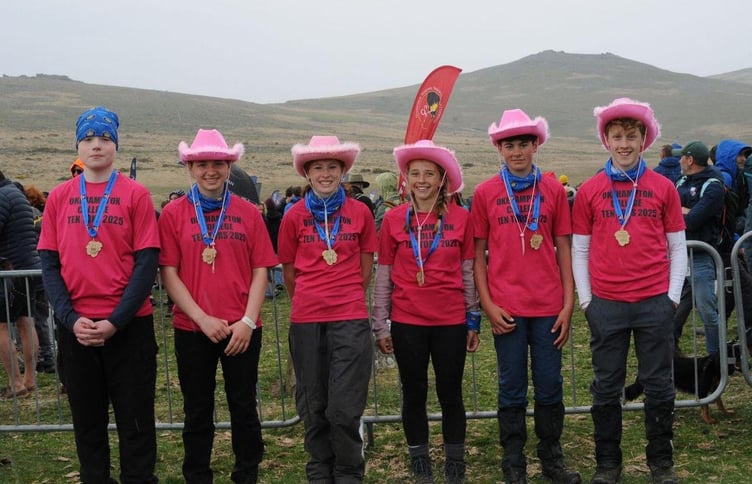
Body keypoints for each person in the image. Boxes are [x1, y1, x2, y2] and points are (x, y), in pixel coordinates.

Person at [38, 106, 160, 483]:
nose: (96, 146)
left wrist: (115, 322)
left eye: (105, 138)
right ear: (78, 144)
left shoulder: (136, 195)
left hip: (129, 328)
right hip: (77, 331)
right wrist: (71, 319)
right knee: (87, 424)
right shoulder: (59, 197)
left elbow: (146, 263)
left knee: (135, 422)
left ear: (116, 145)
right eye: (89, 138)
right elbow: (49, 264)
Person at [571, 98, 687, 484]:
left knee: (658, 384)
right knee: (606, 386)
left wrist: (671, 297)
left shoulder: (664, 188)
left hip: (654, 302)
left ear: (644, 140)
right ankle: (608, 464)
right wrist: (587, 301)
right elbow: (581, 248)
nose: (624, 144)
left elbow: (677, 246)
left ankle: (660, 463)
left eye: (631, 136)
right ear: (606, 140)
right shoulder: (589, 190)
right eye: (617, 136)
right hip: (606, 304)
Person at [159, 128, 277, 483]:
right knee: (197, 409)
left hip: (241, 328)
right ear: (190, 167)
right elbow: (169, 272)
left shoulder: (248, 213)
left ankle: (247, 473)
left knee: (243, 407)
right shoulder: (173, 213)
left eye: (219, 164)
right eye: (202, 164)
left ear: (230, 167)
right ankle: (197, 474)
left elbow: (261, 270)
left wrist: (247, 320)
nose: (211, 171)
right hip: (192, 328)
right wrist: (200, 318)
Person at [471, 109, 580, 484]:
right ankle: (513, 462)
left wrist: (568, 304)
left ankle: (552, 459)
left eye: (523, 144)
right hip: (507, 309)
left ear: (536, 145)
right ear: (499, 149)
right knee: (511, 385)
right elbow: (478, 256)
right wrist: (487, 304)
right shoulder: (485, 193)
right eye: (509, 145)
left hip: (549, 307)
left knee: (551, 384)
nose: (516, 151)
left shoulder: (552, 190)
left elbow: (563, 248)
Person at [372, 140, 479, 483]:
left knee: (451, 393)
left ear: (441, 179)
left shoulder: (462, 218)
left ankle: (455, 464)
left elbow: (467, 272)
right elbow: (384, 274)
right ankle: (420, 462)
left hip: (450, 321)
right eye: (414, 173)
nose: (421, 180)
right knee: (413, 392)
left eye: (429, 174)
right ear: (406, 179)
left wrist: (473, 317)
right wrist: (380, 323)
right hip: (407, 322)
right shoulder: (391, 220)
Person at [277, 135, 377, 483]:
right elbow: (289, 273)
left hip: (349, 318)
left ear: (342, 170)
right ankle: (320, 471)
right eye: (317, 167)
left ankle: (349, 471)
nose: (324, 173)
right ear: (306, 173)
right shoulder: (293, 216)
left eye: (331, 167)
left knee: (344, 407)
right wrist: (311, 297)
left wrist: (343, 296)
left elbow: (366, 270)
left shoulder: (360, 212)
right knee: (314, 404)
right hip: (306, 319)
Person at [671, 141, 724, 353]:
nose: (679, 160)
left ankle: (716, 358)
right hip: (678, 256)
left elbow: (694, 220)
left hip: (701, 255)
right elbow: (669, 214)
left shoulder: (713, 185)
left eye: (682, 157)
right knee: (672, 306)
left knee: (706, 309)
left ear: (690, 160)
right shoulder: (681, 181)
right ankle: (670, 354)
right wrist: (684, 211)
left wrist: (682, 212)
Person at [0, 170, 41, 398]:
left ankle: (15, 383)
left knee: (2, 326)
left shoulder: (2, 198)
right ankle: (30, 379)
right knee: (26, 322)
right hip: (29, 267)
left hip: (8, 270)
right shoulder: (16, 195)